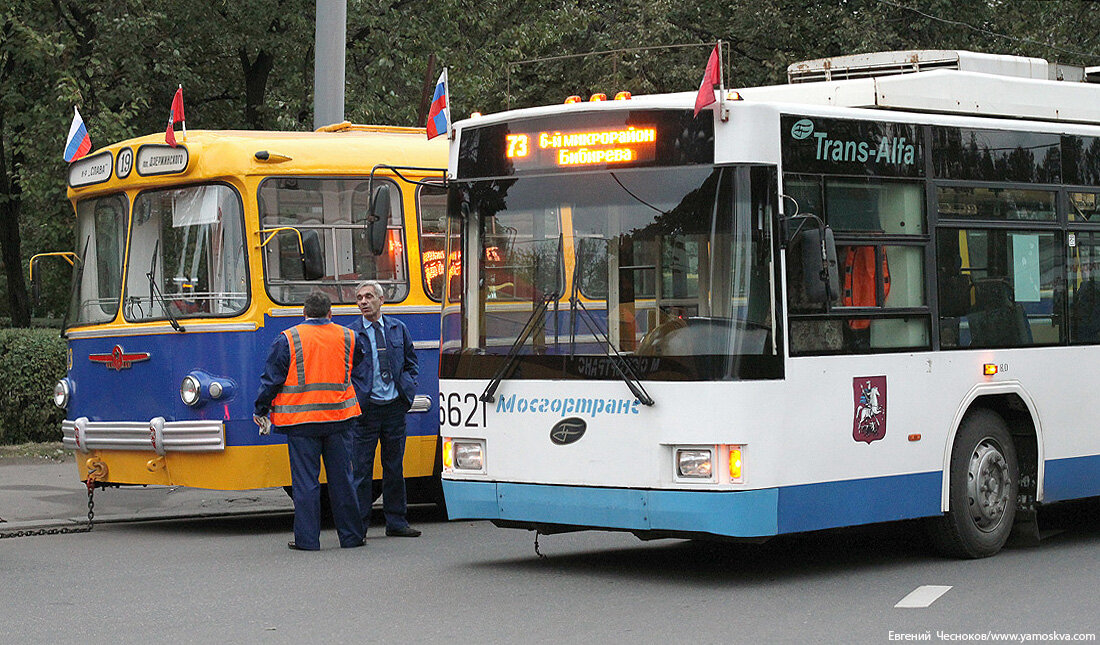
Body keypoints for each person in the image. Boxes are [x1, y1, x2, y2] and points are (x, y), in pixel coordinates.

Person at [254, 291, 365, 551]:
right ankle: (351, 537)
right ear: (330, 313)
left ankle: (307, 540)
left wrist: (261, 408)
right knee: (343, 480)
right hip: (340, 418)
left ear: (304, 313)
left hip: (301, 421)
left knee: (306, 483)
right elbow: (358, 364)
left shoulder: (288, 339)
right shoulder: (349, 336)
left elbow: (272, 379)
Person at [347, 280, 421, 537]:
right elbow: (345, 371)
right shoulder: (352, 333)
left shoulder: (397, 329)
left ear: (381, 300)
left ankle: (397, 522)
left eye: (368, 297)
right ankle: (359, 527)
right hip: (366, 411)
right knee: (362, 470)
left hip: (394, 409)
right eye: (359, 298)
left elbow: (411, 361)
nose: (363, 302)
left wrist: (408, 389)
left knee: (394, 467)